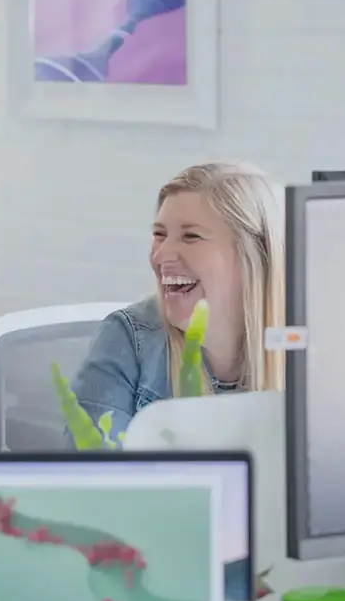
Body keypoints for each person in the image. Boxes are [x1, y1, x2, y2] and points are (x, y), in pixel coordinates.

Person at [66, 161, 285, 447]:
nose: (160, 256)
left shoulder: (312, 350)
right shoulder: (129, 339)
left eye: (191, 236)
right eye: (159, 235)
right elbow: (96, 479)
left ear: (253, 255)